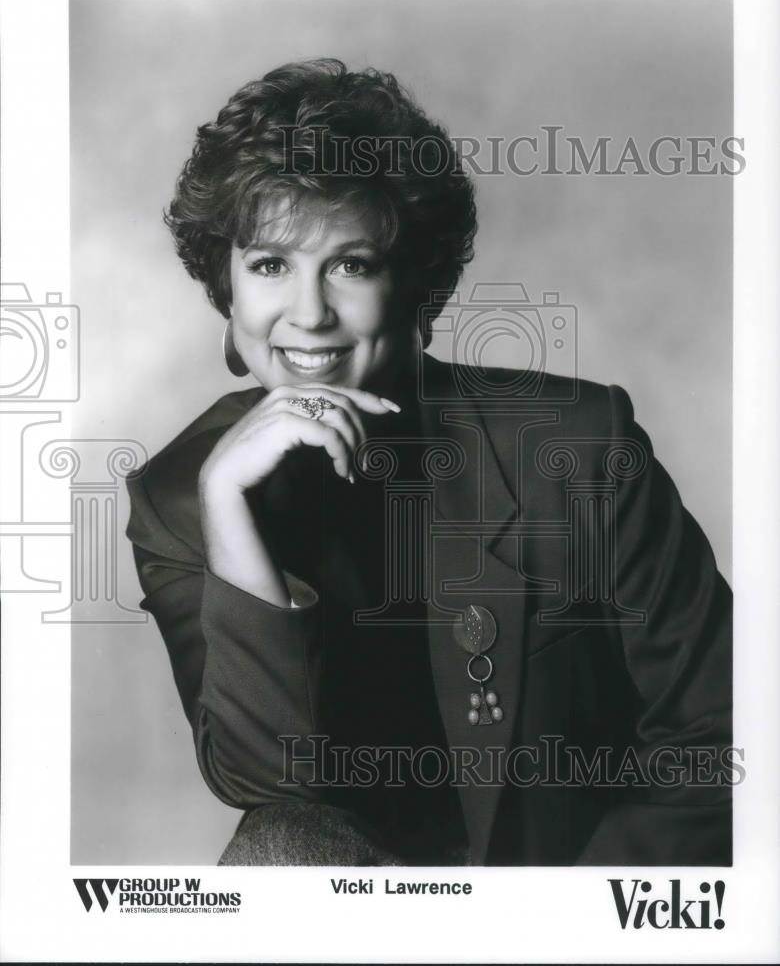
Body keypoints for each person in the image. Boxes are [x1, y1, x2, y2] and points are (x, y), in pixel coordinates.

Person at [125, 58, 732, 866]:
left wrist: (570, 929)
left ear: (415, 285)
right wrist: (230, 512)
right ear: (227, 291)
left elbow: (718, 733)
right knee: (278, 844)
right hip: (363, 910)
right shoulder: (181, 497)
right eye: (270, 265)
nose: (307, 315)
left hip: (570, 896)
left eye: (351, 264)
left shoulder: (579, 445)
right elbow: (262, 778)